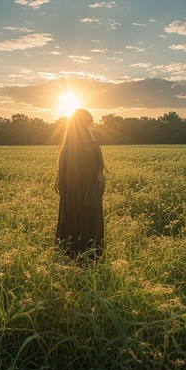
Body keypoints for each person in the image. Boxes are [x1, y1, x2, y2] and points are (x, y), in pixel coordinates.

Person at [55, 108, 105, 261]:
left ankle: (70, 255)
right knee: (89, 224)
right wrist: (100, 192)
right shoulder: (93, 145)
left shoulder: (66, 147)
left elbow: (60, 175)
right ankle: (89, 257)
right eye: (88, 124)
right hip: (88, 191)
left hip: (71, 192)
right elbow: (99, 172)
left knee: (71, 223)